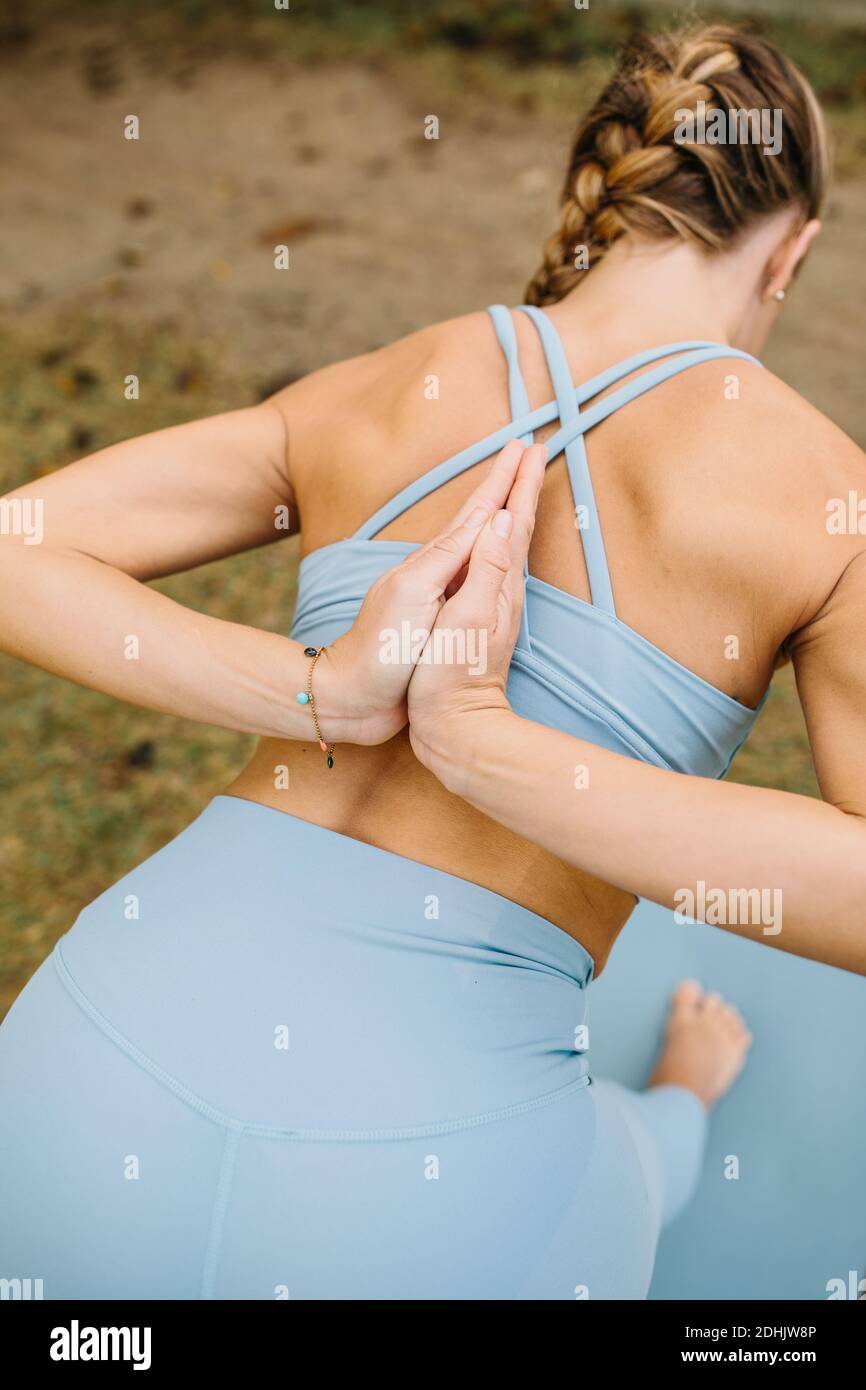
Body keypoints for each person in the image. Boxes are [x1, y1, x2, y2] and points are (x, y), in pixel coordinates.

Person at [0, 23, 862, 1299]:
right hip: (431, 1191)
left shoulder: (377, 384)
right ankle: (677, 1103)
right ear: (787, 253)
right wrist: (489, 749)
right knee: (629, 1167)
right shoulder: (823, 498)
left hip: (81, 1073)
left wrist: (319, 691)